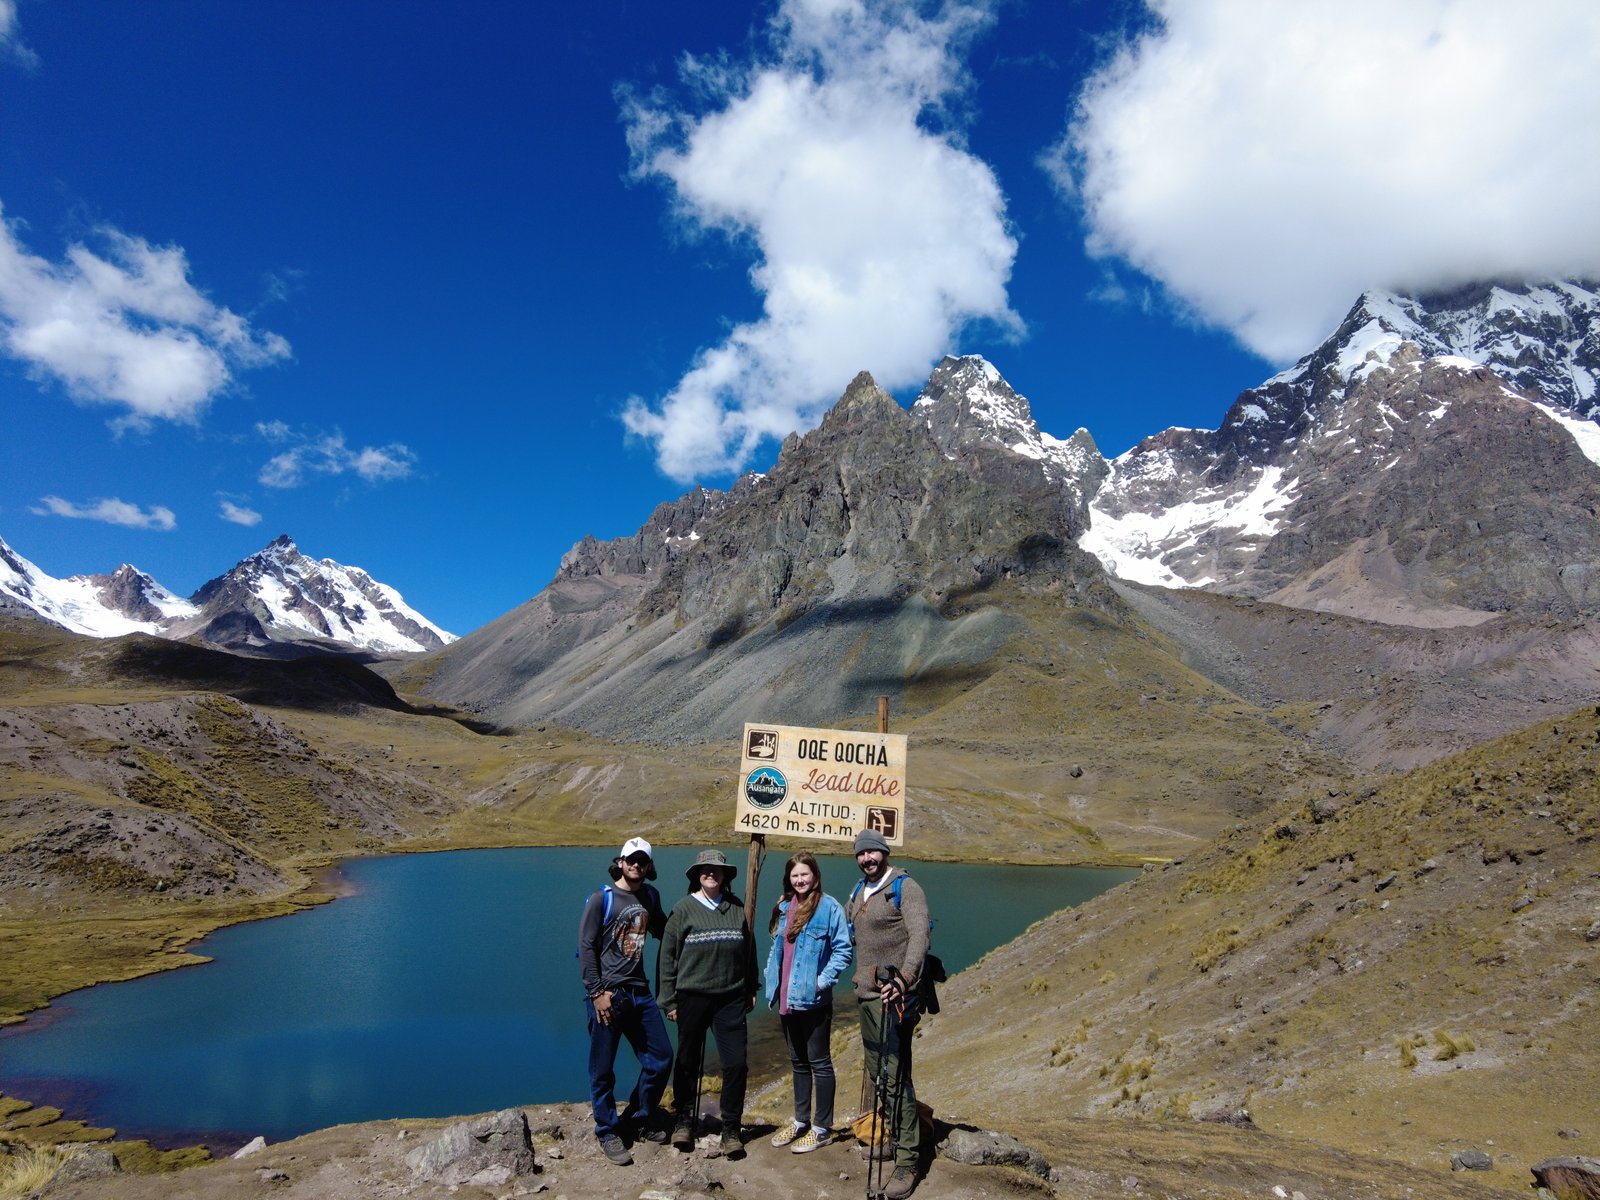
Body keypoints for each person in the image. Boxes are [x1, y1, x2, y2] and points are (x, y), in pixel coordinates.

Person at [577, 836, 671, 1166]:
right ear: (620, 861)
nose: (635, 864)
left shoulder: (650, 895)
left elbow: (665, 929)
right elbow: (586, 949)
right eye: (630, 859)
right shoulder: (599, 899)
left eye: (642, 860)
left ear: (648, 866)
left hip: (639, 993)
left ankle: (639, 1117)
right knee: (602, 1069)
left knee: (660, 1058)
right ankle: (607, 1130)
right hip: (608, 996)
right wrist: (597, 993)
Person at [846, 829, 930, 1200]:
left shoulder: (905, 887)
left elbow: (919, 937)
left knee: (894, 1076)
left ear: (884, 853)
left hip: (894, 997)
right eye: (862, 855)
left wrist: (906, 977)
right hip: (867, 995)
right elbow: (857, 939)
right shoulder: (857, 891)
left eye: (873, 853)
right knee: (880, 1074)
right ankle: (897, 1137)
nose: (867, 859)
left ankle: (909, 1160)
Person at [658, 849, 758, 1158]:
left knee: (736, 1064)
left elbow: (749, 951)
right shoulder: (683, 909)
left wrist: (751, 986)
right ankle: (684, 1120)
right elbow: (668, 957)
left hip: (730, 997)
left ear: (725, 875)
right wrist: (669, 999)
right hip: (692, 996)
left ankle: (731, 1128)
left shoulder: (736, 908)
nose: (711, 873)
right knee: (687, 1061)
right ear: (697, 874)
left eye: (717, 869)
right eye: (705, 869)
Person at [764, 851, 853, 1154]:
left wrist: (821, 982)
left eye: (805, 874)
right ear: (788, 879)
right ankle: (801, 1121)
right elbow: (776, 949)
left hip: (813, 1001)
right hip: (787, 998)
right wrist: (772, 984)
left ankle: (821, 1128)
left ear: (815, 875)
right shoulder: (785, 906)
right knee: (798, 1063)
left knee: (820, 1063)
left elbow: (843, 950)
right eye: (794, 875)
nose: (800, 880)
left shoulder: (830, 908)